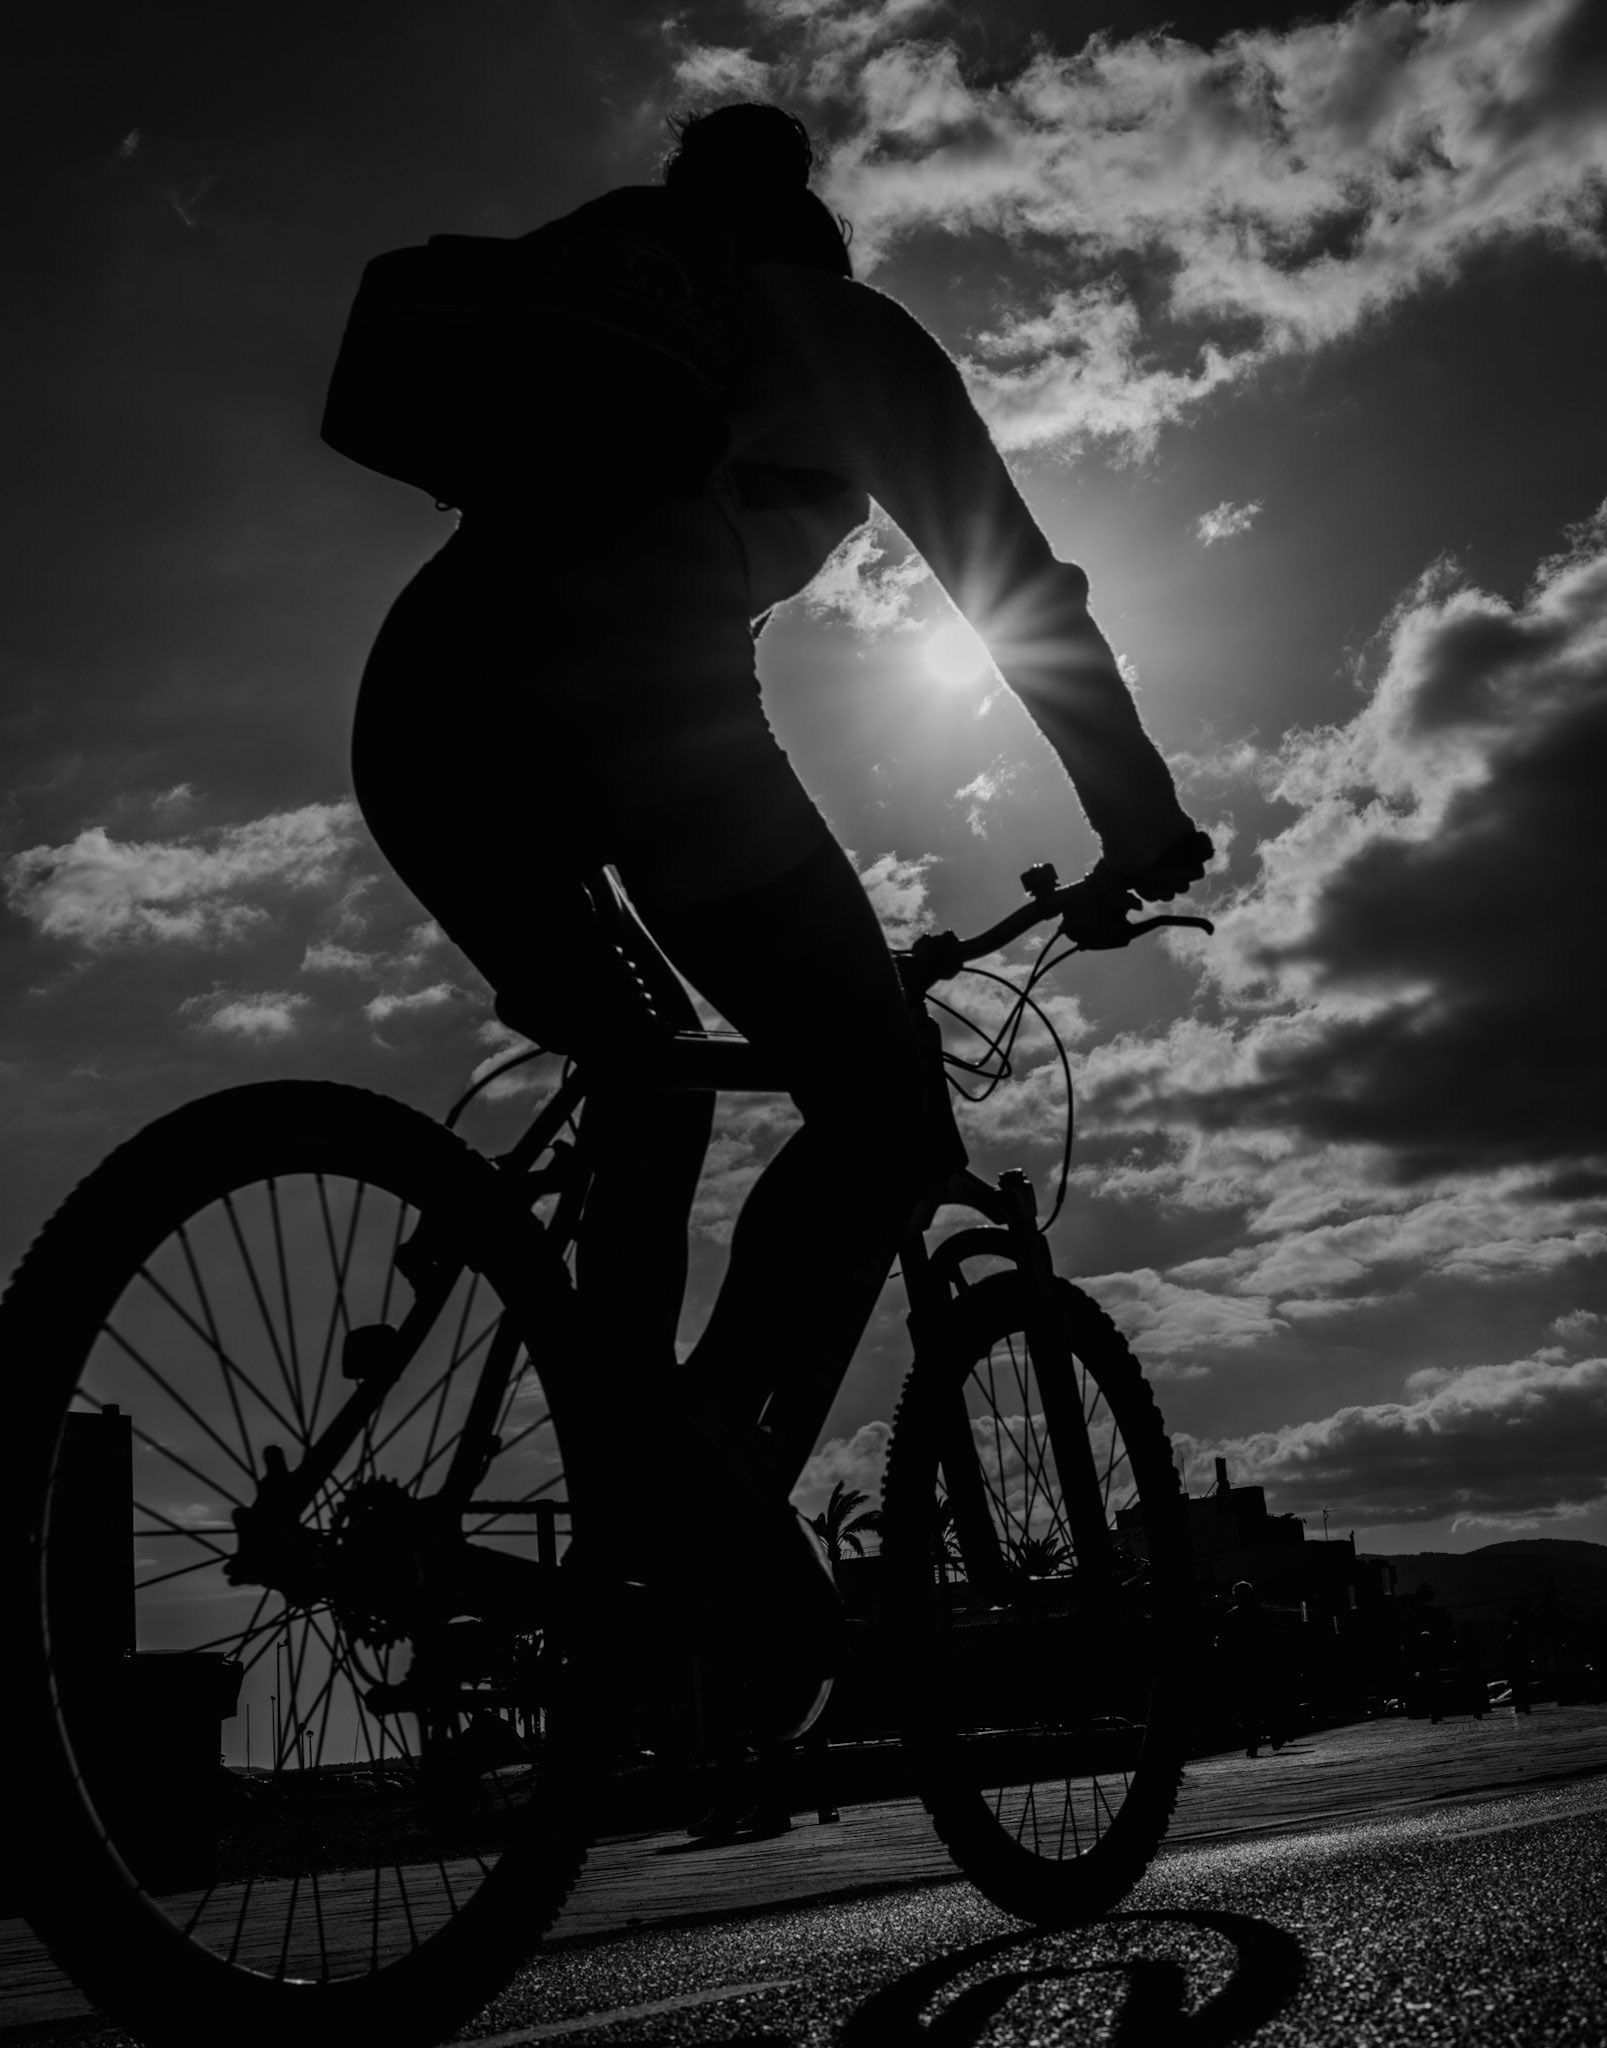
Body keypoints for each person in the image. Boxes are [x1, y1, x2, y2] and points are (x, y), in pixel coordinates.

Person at [348, 104, 1210, 1660]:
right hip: (645, 707)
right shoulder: (856, 341)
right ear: (819, 240)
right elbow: (1027, 600)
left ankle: (625, 1496)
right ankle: (698, 1476)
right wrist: (1138, 825)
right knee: (885, 1108)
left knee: (649, 1065)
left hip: (423, 705)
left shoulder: (598, 280)